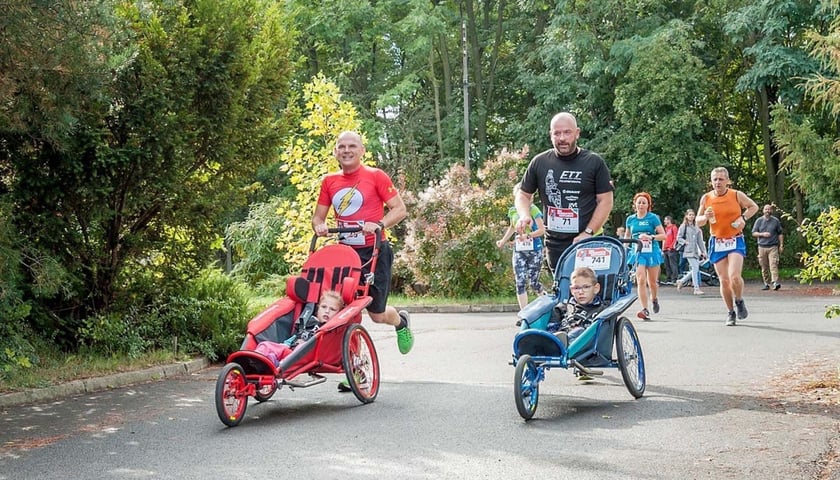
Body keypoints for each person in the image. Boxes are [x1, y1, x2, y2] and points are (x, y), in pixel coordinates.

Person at [312, 131, 414, 359]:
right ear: (335, 152)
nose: (346, 150)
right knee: (345, 310)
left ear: (362, 151)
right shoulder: (329, 181)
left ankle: (401, 321)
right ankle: (354, 368)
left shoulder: (376, 176)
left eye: (352, 146)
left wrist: (378, 224)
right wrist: (319, 226)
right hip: (345, 255)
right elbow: (318, 218)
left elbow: (400, 210)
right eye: (342, 147)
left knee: (376, 314)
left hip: (375, 251)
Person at [514, 112, 614, 274]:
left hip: (588, 240)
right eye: (557, 133)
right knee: (563, 292)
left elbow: (606, 201)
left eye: (567, 132)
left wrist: (588, 232)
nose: (562, 138)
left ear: (577, 133)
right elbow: (523, 195)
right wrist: (525, 215)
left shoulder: (594, 162)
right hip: (556, 243)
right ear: (551, 135)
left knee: (588, 292)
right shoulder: (540, 162)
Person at [696, 167, 759, 326]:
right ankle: (730, 312)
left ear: (727, 181)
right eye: (715, 179)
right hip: (717, 241)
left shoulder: (736, 195)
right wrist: (705, 216)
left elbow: (753, 207)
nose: (718, 182)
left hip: (735, 240)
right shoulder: (706, 198)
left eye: (721, 179)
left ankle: (739, 300)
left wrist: (743, 218)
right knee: (724, 280)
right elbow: (698, 221)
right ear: (711, 181)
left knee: (734, 277)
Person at [255, 290, 345, 367]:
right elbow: (295, 336)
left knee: (302, 347)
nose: (327, 311)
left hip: (308, 354)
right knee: (266, 345)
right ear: (318, 309)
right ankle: (257, 359)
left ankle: (280, 365)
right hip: (291, 350)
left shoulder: (332, 328)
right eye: (324, 307)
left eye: (332, 309)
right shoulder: (307, 320)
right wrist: (286, 344)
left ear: (338, 314)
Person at [497, 183, 546, 314]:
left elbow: (542, 230)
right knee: (520, 281)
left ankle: (548, 305)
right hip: (519, 251)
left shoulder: (534, 210)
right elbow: (512, 227)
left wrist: (528, 235)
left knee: (533, 282)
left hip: (534, 250)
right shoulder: (513, 211)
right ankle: (524, 313)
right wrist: (503, 240)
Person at [624, 192, 665, 320]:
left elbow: (663, 235)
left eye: (644, 203)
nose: (641, 205)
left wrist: (651, 237)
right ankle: (644, 309)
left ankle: (654, 298)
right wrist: (624, 250)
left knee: (652, 282)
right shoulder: (630, 219)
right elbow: (627, 236)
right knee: (640, 279)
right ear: (634, 205)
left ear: (648, 205)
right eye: (639, 202)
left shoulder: (653, 218)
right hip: (638, 252)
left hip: (652, 251)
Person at [549, 266, 605, 347]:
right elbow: (552, 327)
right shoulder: (562, 307)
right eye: (576, 288)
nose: (581, 292)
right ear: (571, 290)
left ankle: (563, 344)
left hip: (581, 343)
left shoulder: (601, 310)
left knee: (580, 331)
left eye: (586, 287)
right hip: (558, 338)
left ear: (596, 288)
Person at [675, 209, 708, 295]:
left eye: (693, 215)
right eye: (689, 215)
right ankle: (696, 288)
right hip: (688, 250)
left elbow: (700, 241)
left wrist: (703, 251)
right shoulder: (683, 226)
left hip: (695, 251)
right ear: (686, 216)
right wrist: (684, 242)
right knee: (695, 268)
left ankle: (681, 281)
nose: (691, 216)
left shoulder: (697, 227)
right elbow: (678, 237)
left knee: (695, 269)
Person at [751, 204, 784, 291]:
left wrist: (781, 245)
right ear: (763, 211)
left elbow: (780, 233)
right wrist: (762, 234)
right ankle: (766, 283)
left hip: (773, 246)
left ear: (771, 211)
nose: (767, 211)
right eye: (766, 209)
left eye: (769, 209)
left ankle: (775, 282)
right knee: (764, 266)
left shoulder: (775, 221)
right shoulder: (759, 221)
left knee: (773, 264)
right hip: (762, 246)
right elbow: (754, 233)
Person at [661, 216, 680, 285]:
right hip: (665, 249)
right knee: (667, 264)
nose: (664, 222)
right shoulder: (665, 229)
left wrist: (672, 246)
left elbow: (675, 238)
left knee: (673, 264)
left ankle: (675, 278)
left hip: (671, 249)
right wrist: (663, 248)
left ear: (669, 220)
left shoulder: (673, 227)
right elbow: (664, 238)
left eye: (665, 220)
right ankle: (668, 278)